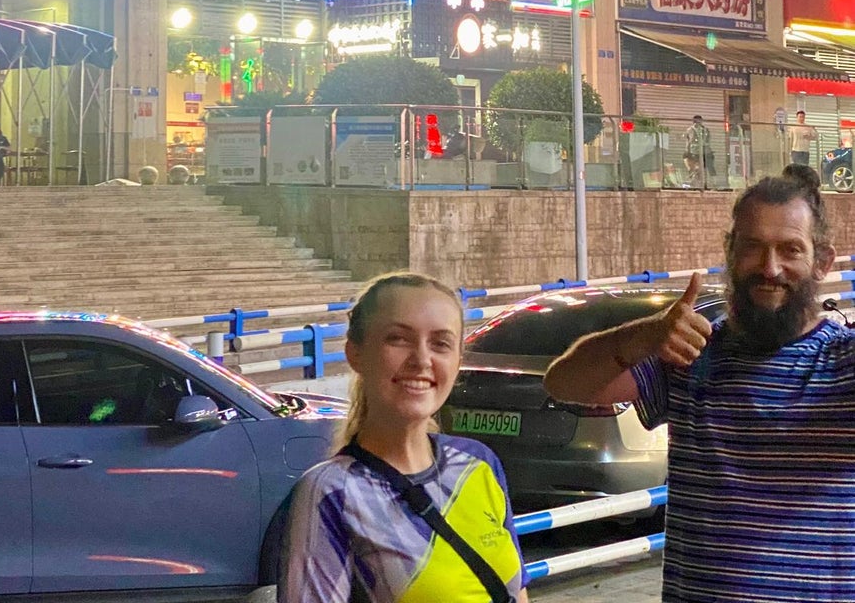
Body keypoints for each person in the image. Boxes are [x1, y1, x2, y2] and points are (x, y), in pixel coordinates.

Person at [542, 175, 855, 602]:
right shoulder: (689, 354)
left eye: (790, 250)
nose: (770, 268)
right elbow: (564, 382)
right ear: (730, 252)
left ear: (823, 262)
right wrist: (647, 335)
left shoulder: (842, 362)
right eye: (753, 247)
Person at [279, 271, 530, 603]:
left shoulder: (479, 463)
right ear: (355, 354)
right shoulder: (332, 492)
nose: (422, 360)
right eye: (398, 339)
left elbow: (517, 593)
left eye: (440, 343)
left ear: (457, 362)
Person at [683, 114, 712, 187]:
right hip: (697, 152)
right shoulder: (692, 130)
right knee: (694, 169)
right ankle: (695, 181)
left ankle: (699, 182)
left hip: (699, 152)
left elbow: (707, 141)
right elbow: (688, 141)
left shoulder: (703, 130)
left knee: (698, 168)